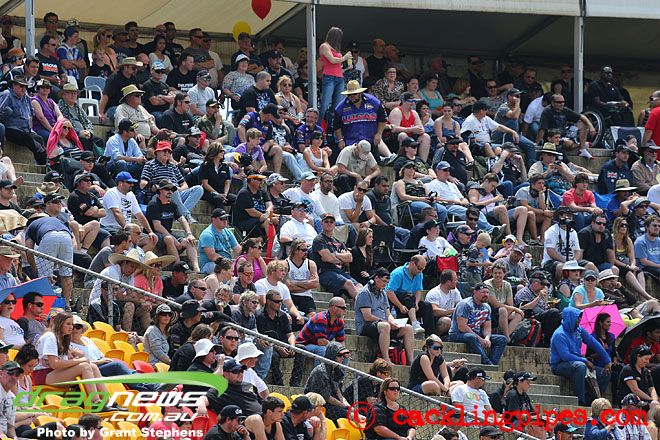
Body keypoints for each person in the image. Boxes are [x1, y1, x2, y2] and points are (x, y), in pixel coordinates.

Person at [32, 312, 122, 412]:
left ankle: (109, 402)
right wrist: (79, 360)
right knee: (84, 366)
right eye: (68, 324)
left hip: (54, 373)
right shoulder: (50, 336)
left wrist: (77, 356)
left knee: (92, 366)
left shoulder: (63, 338)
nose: (71, 327)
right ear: (60, 324)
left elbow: (65, 361)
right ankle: (95, 402)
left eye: (73, 325)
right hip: (42, 375)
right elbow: (54, 364)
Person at [550, 307, 612, 406]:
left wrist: (607, 360)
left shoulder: (578, 330)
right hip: (560, 364)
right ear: (570, 318)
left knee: (605, 374)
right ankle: (580, 400)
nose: (579, 320)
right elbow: (565, 356)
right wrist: (585, 361)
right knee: (580, 367)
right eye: (577, 318)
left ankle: (590, 401)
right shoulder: (559, 334)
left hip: (577, 361)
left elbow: (593, 343)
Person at [355, 267, 414, 365]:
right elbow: (367, 316)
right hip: (366, 326)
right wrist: (386, 322)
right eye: (383, 281)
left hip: (383, 325)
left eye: (387, 282)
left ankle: (410, 361)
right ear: (376, 278)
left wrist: (392, 322)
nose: (385, 284)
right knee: (385, 326)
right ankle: (386, 359)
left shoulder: (383, 293)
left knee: (408, 328)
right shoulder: (364, 293)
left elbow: (388, 313)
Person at [334, 80, 394, 166]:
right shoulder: (340, 107)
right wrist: (340, 140)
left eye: (354, 94)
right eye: (349, 95)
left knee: (375, 165)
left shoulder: (374, 102)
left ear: (360, 93)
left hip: (371, 140)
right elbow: (336, 125)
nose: (352, 97)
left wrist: (379, 134)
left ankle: (385, 158)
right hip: (351, 143)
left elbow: (383, 118)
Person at [146, 179, 200, 272]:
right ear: (160, 190)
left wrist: (189, 234)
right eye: (167, 189)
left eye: (172, 189)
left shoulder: (172, 204)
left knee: (189, 241)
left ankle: (196, 268)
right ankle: (179, 268)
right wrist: (173, 239)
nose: (170, 191)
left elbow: (182, 219)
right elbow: (157, 226)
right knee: (169, 239)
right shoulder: (153, 204)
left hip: (167, 233)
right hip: (154, 234)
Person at [449, 283, 508, 365]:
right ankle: (487, 362)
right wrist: (480, 339)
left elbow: (487, 328)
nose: (486, 295)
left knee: (502, 339)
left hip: (476, 335)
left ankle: (493, 364)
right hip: (458, 334)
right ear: (475, 292)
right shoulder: (466, 304)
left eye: (487, 292)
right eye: (483, 292)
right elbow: (462, 327)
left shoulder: (486, 307)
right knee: (472, 337)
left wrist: (487, 338)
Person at [256, 290, 300, 386]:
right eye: (277, 301)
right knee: (273, 355)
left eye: (281, 301)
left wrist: (292, 347)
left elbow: (290, 334)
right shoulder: (260, 316)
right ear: (268, 301)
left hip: (284, 345)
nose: (280, 304)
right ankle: (277, 382)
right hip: (269, 346)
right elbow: (263, 339)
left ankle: (295, 382)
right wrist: (279, 348)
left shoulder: (282, 315)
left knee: (302, 350)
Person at [0, 75, 47, 164]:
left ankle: (43, 165)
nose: (24, 89)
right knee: (28, 139)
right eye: (21, 86)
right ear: (14, 85)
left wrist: (30, 128)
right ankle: (46, 161)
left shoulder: (26, 97)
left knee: (39, 138)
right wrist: (2, 133)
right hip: (10, 129)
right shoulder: (6, 95)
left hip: (25, 129)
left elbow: (31, 115)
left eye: (25, 86)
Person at [542, 207, 597, 279]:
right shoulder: (552, 231)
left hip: (571, 261)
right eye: (567, 215)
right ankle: (561, 284)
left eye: (571, 215)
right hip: (552, 261)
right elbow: (550, 251)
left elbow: (577, 251)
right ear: (560, 216)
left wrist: (574, 261)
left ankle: (579, 284)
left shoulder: (573, 232)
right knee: (561, 266)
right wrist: (565, 262)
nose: (570, 217)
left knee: (590, 265)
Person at [303, 341, 351, 421]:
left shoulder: (337, 371)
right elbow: (327, 397)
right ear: (332, 355)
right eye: (340, 355)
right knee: (346, 414)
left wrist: (349, 407)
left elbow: (339, 393)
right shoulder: (321, 371)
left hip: (332, 404)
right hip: (317, 404)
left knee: (354, 413)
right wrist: (344, 406)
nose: (342, 358)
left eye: (343, 355)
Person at [514, 271, 562, 347]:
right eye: (542, 284)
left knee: (561, 315)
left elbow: (543, 308)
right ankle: (547, 342)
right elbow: (523, 308)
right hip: (529, 318)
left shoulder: (540, 292)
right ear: (534, 282)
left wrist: (549, 306)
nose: (543, 287)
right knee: (553, 313)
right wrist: (538, 297)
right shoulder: (524, 293)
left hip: (540, 315)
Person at [485, 262, 524, 341]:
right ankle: (507, 337)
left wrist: (515, 310)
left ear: (504, 274)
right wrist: (515, 309)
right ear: (492, 274)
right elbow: (495, 304)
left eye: (499, 273)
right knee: (503, 310)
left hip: (504, 311)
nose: (497, 275)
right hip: (491, 311)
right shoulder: (487, 284)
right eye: (495, 273)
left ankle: (505, 337)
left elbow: (510, 304)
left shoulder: (507, 285)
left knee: (518, 315)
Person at [198, 208, 240, 274]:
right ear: (213, 219)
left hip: (226, 263)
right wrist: (228, 263)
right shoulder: (207, 234)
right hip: (210, 264)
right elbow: (212, 256)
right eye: (222, 219)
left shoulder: (228, 232)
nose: (225, 221)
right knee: (225, 270)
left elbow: (238, 250)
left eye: (226, 218)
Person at [284, 238, 319, 318]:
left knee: (312, 316)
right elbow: (288, 287)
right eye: (304, 250)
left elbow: (315, 284)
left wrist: (295, 284)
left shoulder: (310, 264)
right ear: (296, 250)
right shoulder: (286, 264)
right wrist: (307, 286)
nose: (306, 252)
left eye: (306, 250)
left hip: (306, 296)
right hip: (290, 296)